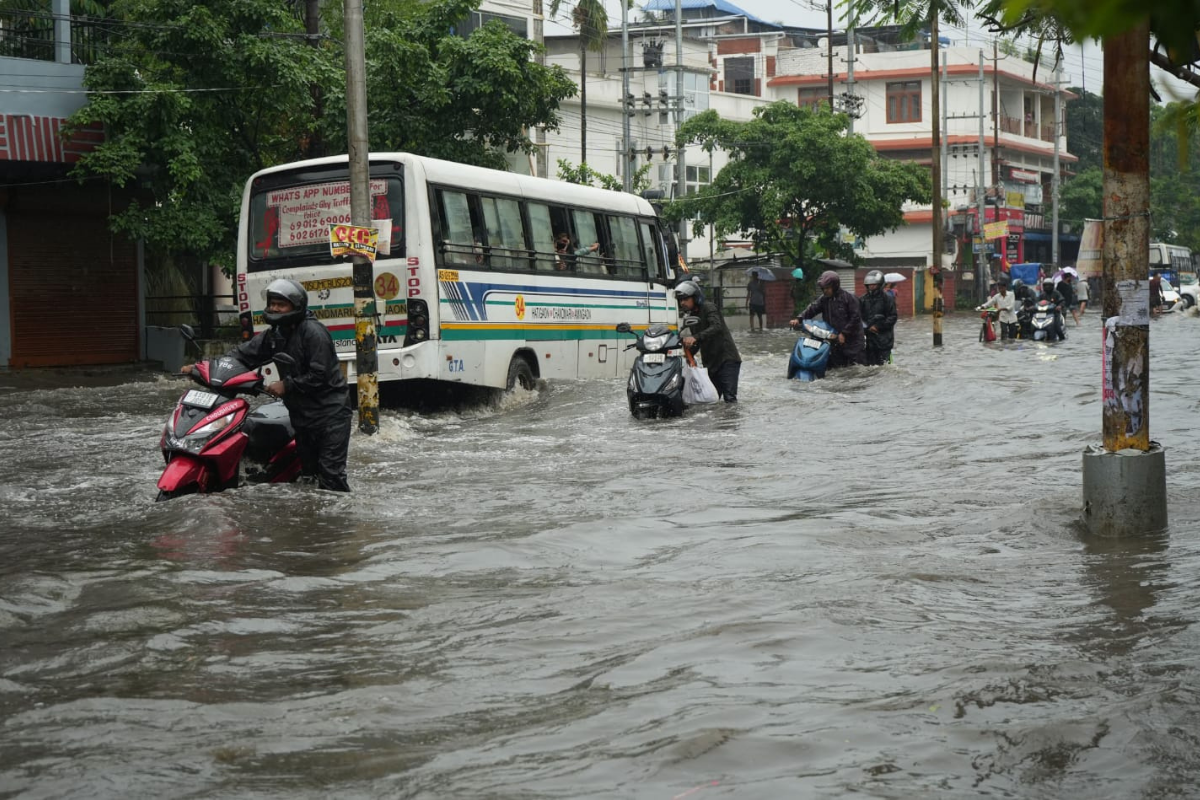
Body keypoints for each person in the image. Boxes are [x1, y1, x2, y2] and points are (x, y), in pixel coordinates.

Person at [184, 278, 352, 492]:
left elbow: (320, 375)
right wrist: (206, 368)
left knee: (331, 478)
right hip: (302, 416)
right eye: (272, 304)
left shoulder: (313, 333)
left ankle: (336, 523)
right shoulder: (275, 335)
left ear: (296, 306)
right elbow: (243, 355)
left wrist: (286, 385)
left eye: (281, 304)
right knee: (308, 478)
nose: (274, 308)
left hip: (330, 415)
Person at [676, 280, 741, 402]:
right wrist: (688, 354)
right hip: (710, 363)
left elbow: (716, 326)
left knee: (730, 399)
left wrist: (695, 338)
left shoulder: (708, 307)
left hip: (726, 359)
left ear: (695, 298)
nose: (682, 303)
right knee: (710, 400)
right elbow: (699, 340)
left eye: (685, 299)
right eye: (680, 300)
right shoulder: (691, 316)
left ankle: (732, 421)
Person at [790, 270, 865, 368]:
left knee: (853, 367)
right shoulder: (824, 299)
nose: (825, 291)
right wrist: (799, 319)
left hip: (852, 341)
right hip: (833, 337)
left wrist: (844, 333)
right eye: (823, 288)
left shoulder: (849, 298)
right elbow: (812, 309)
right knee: (834, 366)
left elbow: (855, 318)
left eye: (827, 288)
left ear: (835, 286)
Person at [858, 270, 897, 365]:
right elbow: (858, 317)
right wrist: (866, 327)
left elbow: (893, 317)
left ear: (880, 285)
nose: (871, 287)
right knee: (869, 367)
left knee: (887, 365)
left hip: (884, 340)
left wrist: (878, 326)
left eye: (874, 285)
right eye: (869, 285)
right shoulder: (863, 299)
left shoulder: (887, 299)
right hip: (868, 340)